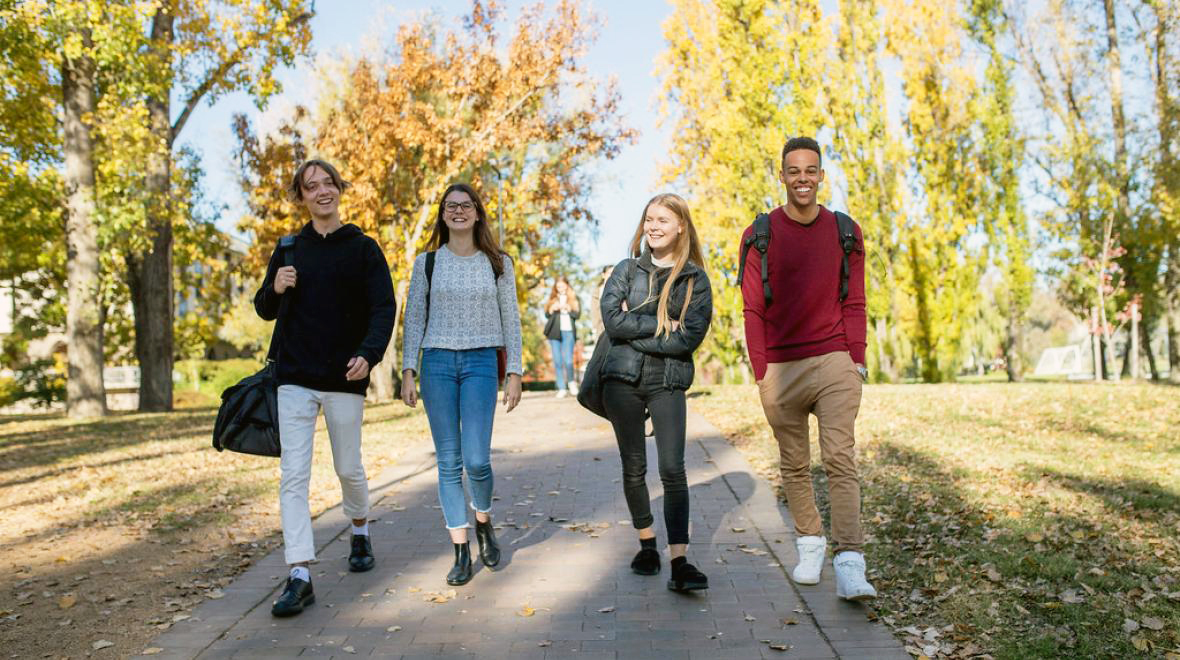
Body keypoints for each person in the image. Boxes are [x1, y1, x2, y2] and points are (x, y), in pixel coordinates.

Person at [254, 159, 396, 617]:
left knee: (348, 467)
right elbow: (264, 309)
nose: (321, 192)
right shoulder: (290, 248)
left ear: (339, 188)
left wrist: (369, 355)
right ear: (301, 197)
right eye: (310, 187)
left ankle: (359, 529)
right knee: (293, 476)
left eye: (327, 183)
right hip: (294, 378)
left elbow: (383, 308)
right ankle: (299, 573)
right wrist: (274, 287)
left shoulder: (363, 249)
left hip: (344, 378)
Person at [740, 136, 876, 601]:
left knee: (840, 458)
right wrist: (761, 372)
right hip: (780, 366)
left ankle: (850, 563)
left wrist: (856, 358)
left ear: (821, 176)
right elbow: (752, 310)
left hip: (835, 358)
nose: (803, 178)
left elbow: (854, 299)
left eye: (810, 170)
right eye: (794, 170)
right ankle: (811, 544)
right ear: (782, 175)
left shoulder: (846, 230)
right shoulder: (760, 233)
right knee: (795, 464)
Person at [401, 182, 524, 586]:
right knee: (448, 463)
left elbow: (512, 321)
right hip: (436, 362)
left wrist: (515, 373)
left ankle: (483, 519)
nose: (458, 211)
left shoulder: (498, 262)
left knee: (477, 459)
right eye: (450, 206)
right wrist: (408, 371)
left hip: (480, 363)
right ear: (442, 214)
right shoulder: (427, 263)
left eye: (465, 205)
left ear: (477, 212)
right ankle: (459, 549)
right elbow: (414, 318)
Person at [599, 193, 713, 593]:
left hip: (668, 381)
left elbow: (689, 338)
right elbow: (612, 321)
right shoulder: (626, 269)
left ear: (681, 225)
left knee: (672, 468)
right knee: (634, 467)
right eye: (649, 218)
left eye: (663, 219)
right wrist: (663, 325)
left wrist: (638, 327)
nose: (653, 226)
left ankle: (679, 560)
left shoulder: (694, 279)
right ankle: (647, 544)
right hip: (621, 381)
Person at [544, 276, 581, 397]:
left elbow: (577, 315)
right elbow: (546, 314)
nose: (560, 288)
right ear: (555, 287)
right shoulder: (552, 298)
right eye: (558, 286)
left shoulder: (574, 298)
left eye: (562, 285)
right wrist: (552, 308)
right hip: (554, 333)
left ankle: (571, 383)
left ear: (567, 285)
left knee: (568, 361)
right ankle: (561, 388)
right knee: (558, 361)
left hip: (569, 332)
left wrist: (569, 308)